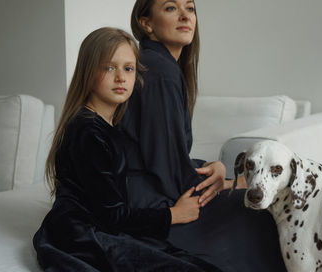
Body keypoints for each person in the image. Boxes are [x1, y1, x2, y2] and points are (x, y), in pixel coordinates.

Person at [33, 27, 222, 272]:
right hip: (82, 234)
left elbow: (156, 161)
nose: (121, 77)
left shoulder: (110, 125)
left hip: (103, 227)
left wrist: (209, 165)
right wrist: (172, 215)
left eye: (128, 68)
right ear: (88, 72)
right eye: (109, 67)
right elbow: (111, 217)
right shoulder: (88, 132)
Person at [121, 1, 287, 271]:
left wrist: (215, 169)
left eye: (190, 8)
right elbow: (166, 168)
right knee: (264, 212)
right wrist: (228, 184)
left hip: (149, 189)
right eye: (171, 8)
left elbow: (164, 156)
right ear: (146, 23)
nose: (185, 15)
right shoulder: (159, 72)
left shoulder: (160, 65)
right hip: (151, 202)